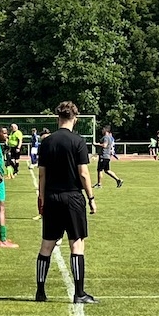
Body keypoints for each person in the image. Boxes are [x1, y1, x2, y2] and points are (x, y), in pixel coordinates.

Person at [36, 101, 98, 304]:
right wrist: (91, 198)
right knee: (76, 244)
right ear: (75, 118)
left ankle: (40, 292)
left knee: (47, 245)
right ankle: (79, 293)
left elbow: (42, 174)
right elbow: (83, 173)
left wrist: (41, 198)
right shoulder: (78, 141)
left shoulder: (47, 142)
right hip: (73, 197)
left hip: (52, 197)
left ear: (58, 118)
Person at [95, 124, 124, 189]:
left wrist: (97, 144)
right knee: (107, 170)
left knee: (99, 170)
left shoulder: (106, 137)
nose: (102, 130)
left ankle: (99, 184)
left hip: (103, 156)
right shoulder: (110, 138)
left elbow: (105, 145)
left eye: (103, 129)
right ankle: (118, 180)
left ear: (105, 130)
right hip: (107, 156)